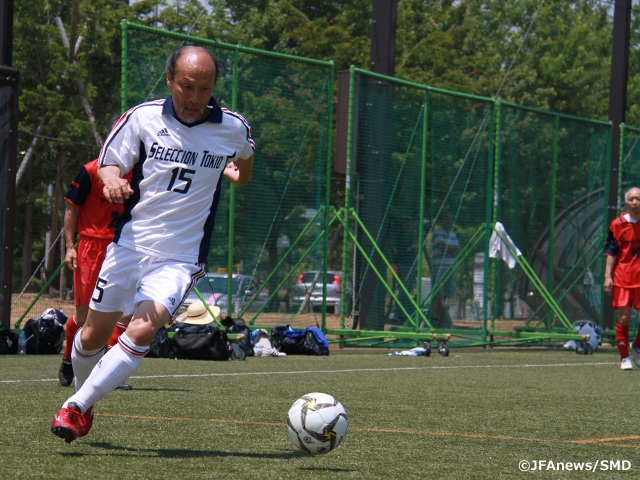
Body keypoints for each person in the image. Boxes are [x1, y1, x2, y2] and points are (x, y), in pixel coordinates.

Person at [51, 45, 254, 443]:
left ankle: (73, 407)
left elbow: (244, 162)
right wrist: (111, 179)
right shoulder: (142, 118)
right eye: (186, 86)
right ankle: (85, 399)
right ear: (169, 81)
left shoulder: (233, 127)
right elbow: (109, 162)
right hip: (129, 245)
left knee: (144, 327)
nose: (195, 98)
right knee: (90, 336)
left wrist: (234, 172)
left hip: (181, 257)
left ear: (215, 87)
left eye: (205, 88)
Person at [59, 118, 134, 391]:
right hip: (91, 246)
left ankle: (107, 371)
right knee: (83, 318)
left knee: (126, 311)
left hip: (126, 246)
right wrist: (70, 246)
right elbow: (71, 208)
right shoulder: (91, 170)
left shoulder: (140, 173)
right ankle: (69, 357)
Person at [604, 186, 640, 370]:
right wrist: (607, 276)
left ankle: (637, 346)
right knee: (624, 318)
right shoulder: (618, 224)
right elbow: (611, 252)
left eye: (638, 199)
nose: (635, 202)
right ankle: (624, 358)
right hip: (623, 278)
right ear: (626, 202)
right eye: (632, 199)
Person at [430, 212, 459, 328]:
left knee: (446, 294)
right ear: (442, 221)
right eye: (447, 220)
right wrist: (450, 248)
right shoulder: (437, 234)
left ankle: (442, 319)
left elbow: (457, 249)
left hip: (450, 267)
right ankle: (433, 317)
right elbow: (443, 246)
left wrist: (449, 248)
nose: (449, 222)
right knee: (438, 293)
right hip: (439, 267)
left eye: (451, 220)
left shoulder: (453, 234)